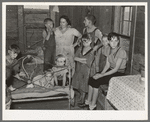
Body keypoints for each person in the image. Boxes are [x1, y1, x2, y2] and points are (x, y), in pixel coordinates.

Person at [85, 32, 128, 110]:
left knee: (97, 81)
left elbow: (116, 69)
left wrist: (101, 75)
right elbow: (107, 65)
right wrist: (101, 73)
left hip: (119, 73)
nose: (114, 43)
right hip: (111, 70)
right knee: (92, 78)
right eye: (111, 41)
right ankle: (88, 101)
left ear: (118, 41)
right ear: (109, 41)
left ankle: (93, 105)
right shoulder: (109, 50)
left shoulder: (121, 51)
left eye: (116, 41)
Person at [72, 33, 95, 107]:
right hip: (79, 69)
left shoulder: (91, 51)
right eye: (83, 41)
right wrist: (83, 59)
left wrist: (80, 59)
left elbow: (88, 62)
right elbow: (74, 58)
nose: (84, 43)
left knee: (84, 84)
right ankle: (80, 96)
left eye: (86, 41)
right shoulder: (80, 49)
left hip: (86, 71)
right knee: (78, 83)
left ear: (90, 41)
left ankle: (83, 99)